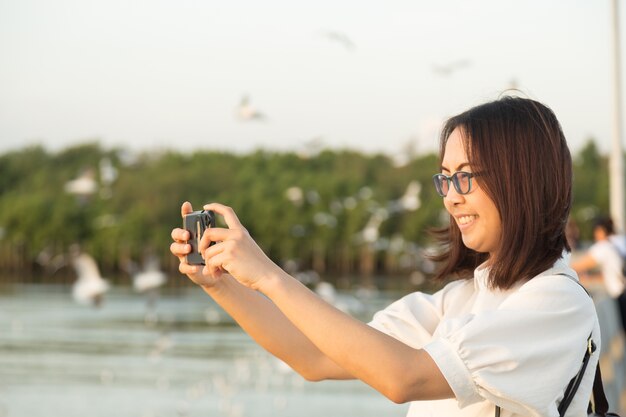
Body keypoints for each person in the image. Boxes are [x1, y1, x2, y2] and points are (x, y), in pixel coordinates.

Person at [170, 96, 600, 417]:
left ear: (520, 179)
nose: (451, 198)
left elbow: (404, 377)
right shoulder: (462, 299)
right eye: (445, 179)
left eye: (465, 177)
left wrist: (268, 274)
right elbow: (314, 356)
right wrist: (222, 283)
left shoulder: (556, 305)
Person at [572, 216, 626, 332]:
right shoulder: (620, 241)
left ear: (601, 231)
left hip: (622, 295)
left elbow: (580, 265)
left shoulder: (603, 247)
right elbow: (611, 272)